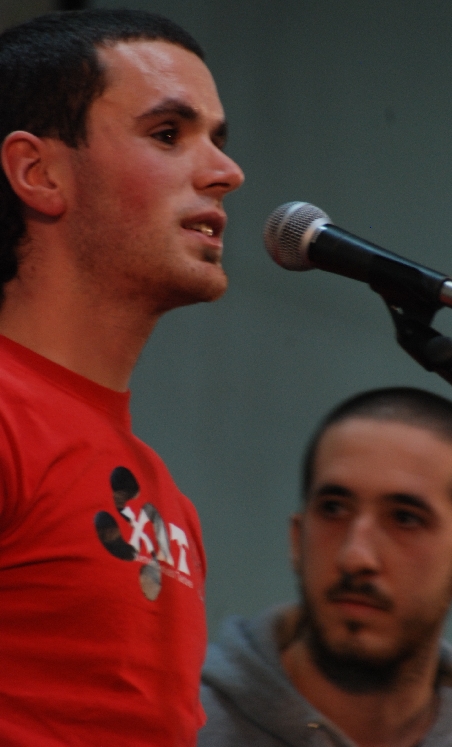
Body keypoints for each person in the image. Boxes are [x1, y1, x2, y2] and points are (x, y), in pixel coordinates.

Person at [0, 8, 243, 746]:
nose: (227, 173)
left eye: (219, 139)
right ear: (39, 173)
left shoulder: (171, 504)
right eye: (168, 134)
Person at [199, 387, 452, 747]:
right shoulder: (172, 721)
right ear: (297, 539)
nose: (355, 557)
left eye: (405, 519)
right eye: (333, 509)